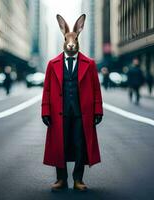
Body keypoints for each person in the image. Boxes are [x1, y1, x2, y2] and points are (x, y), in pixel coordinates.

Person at [41, 14, 103, 192]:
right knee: (60, 144)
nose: (70, 43)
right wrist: (45, 111)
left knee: (79, 144)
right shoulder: (52, 64)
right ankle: (61, 179)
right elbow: (47, 89)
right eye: (68, 39)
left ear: (77, 38)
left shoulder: (89, 64)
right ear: (63, 38)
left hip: (81, 113)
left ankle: (78, 179)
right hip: (59, 113)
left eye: (74, 39)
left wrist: (98, 110)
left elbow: (96, 88)